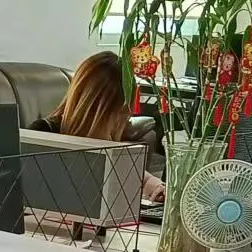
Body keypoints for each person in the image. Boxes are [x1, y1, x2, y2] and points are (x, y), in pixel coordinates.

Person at [34, 50, 167, 202]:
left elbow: (138, 175)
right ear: (97, 109)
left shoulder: (110, 145)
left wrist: (155, 185)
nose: (123, 122)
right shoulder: (43, 134)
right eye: (120, 114)